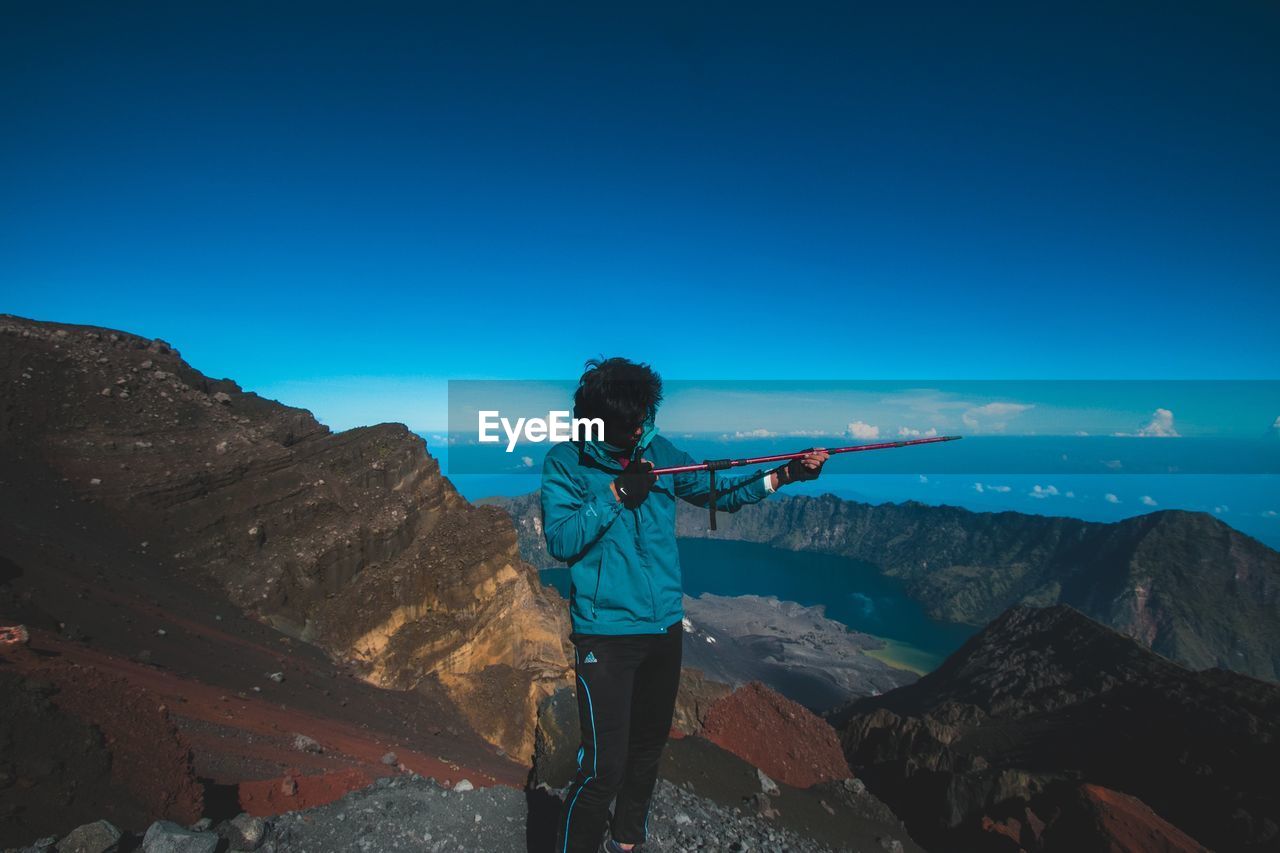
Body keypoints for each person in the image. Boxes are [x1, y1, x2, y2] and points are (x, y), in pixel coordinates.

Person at [541, 357, 827, 852]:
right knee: (602, 769)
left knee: (647, 751)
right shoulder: (566, 463)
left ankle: (626, 842)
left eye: (646, 416)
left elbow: (720, 490)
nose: (642, 428)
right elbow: (561, 540)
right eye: (633, 421)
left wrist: (785, 475)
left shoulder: (661, 452)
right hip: (605, 636)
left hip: (664, 628)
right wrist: (613, 494)